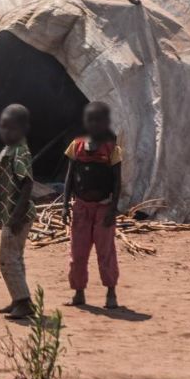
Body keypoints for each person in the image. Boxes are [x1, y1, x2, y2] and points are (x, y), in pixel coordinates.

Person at [62, 101, 122, 309]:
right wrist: (64, 206)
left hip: (103, 207)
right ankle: (78, 292)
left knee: (105, 251)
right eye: (90, 119)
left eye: (98, 120)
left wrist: (113, 209)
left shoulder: (111, 148)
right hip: (81, 207)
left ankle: (111, 292)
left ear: (106, 122)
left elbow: (117, 181)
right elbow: (69, 177)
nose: (93, 123)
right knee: (77, 252)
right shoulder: (76, 146)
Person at [0, 104, 35, 320]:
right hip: (9, 213)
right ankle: (19, 298)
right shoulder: (9, 148)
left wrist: (16, 216)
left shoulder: (20, 151)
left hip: (17, 215)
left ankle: (23, 302)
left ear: (23, 129)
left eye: (11, 128)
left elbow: (27, 184)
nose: (6, 132)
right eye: (3, 127)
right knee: (15, 258)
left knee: (7, 259)